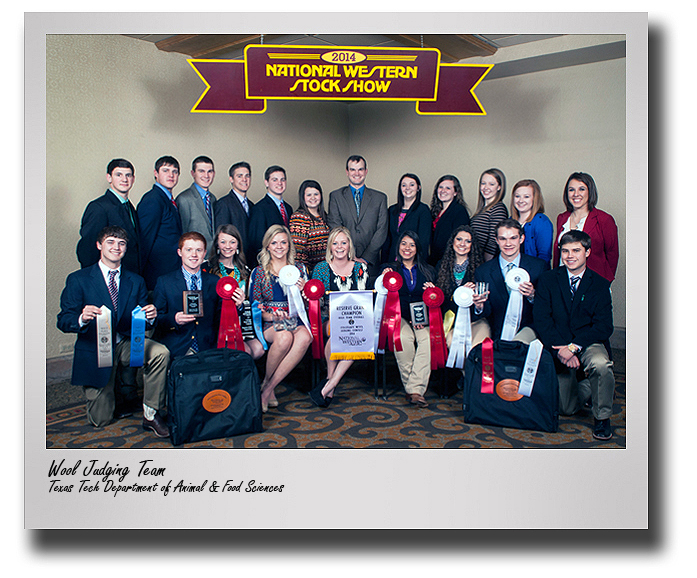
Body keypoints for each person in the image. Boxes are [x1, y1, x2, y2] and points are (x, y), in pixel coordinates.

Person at [57, 226, 170, 437]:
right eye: (110, 242)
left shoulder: (135, 281)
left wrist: (151, 316)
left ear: (126, 249)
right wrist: (81, 318)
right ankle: (114, 393)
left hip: (127, 344)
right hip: (96, 349)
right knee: (101, 420)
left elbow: (142, 322)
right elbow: (63, 320)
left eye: (121, 243)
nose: (116, 247)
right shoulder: (79, 279)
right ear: (99, 245)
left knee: (160, 352)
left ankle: (151, 413)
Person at [533, 230, 615, 440]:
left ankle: (602, 417)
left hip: (587, 342)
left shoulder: (600, 284)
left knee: (601, 365)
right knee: (567, 408)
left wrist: (574, 347)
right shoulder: (547, 279)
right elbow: (542, 319)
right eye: (565, 251)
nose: (570, 256)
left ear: (587, 252)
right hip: (557, 344)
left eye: (576, 250)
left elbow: (604, 326)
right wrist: (561, 348)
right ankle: (590, 387)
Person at [249, 225, 312, 413]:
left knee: (305, 337)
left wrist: (305, 290)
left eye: (283, 242)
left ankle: (267, 387)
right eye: (274, 242)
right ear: (267, 246)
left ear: (289, 245)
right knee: (284, 337)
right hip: (270, 321)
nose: (279, 246)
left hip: (296, 319)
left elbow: (308, 305)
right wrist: (272, 315)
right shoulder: (259, 272)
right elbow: (255, 307)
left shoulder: (299, 269)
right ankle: (269, 387)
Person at [308, 227, 370, 407]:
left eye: (344, 242)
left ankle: (330, 383)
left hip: (356, 318)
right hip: (329, 317)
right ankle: (330, 380)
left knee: (353, 334)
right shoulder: (321, 268)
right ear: (330, 247)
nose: (340, 247)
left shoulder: (360, 268)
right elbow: (317, 302)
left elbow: (363, 299)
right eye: (335, 243)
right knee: (339, 331)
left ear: (350, 245)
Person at [381, 231, 436, 408]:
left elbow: (433, 301)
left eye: (412, 245)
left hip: (422, 318)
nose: (407, 248)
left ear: (417, 248)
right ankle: (415, 389)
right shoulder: (390, 269)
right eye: (404, 244)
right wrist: (384, 278)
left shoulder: (428, 271)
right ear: (398, 246)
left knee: (427, 339)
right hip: (399, 316)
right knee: (403, 338)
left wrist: (432, 292)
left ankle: (413, 390)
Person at [473, 218, 549, 343]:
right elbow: (484, 313)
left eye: (513, 238)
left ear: (522, 239)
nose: (508, 244)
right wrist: (479, 306)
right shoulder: (483, 271)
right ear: (496, 240)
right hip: (495, 331)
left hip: (529, 329)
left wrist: (533, 296)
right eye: (503, 239)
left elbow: (547, 308)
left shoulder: (539, 267)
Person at [152, 232, 221, 359]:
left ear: (204, 253)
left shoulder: (215, 281)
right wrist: (174, 319)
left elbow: (221, 315)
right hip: (178, 348)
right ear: (180, 252)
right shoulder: (164, 282)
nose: (194, 255)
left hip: (209, 348)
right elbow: (156, 319)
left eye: (198, 250)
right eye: (188, 250)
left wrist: (237, 306)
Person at [203, 223, 265, 360]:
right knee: (245, 352)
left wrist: (242, 304)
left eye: (232, 242)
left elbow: (251, 301)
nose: (228, 246)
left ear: (238, 245)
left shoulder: (245, 271)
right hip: (217, 324)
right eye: (223, 242)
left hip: (242, 324)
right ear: (217, 244)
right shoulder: (207, 268)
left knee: (259, 349)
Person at [77, 158, 142, 275]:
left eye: (128, 175)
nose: (124, 179)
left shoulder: (130, 207)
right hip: (106, 278)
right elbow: (87, 249)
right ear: (109, 177)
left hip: (129, 277)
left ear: (133, 179)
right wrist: (94, 279)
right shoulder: (98, 207)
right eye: (119, 175)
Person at [552, 172, 619, 283]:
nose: (576, 194)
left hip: (593, 283)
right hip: (563, 281)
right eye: (571, 190)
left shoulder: (604, 219)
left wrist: (604, 283)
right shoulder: (562, 218)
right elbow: (558, 254)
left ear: (590, 192)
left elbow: (612, 255)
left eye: (582, 189)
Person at [327, 155, 388, 276]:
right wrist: (351, 256)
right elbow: (335, 227)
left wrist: (366, 258)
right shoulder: (336, 196)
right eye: (352, 169)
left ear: (366, 171)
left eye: (360, 169)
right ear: (347, 172)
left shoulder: (380, 198)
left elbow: (382, 230)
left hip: (371, 262)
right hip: (343, 261)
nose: (357, 173)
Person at [435, 225, 490, 348]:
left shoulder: (481, 269)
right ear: (452, 241)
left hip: (475, 321)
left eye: (468, 241)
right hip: (450, 322)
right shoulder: (441, 266)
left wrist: (478, 304)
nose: (462, 244)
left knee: (476, 347)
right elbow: (440, 301)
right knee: (451, 342)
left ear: (472, 245)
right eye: (459, 239)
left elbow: (487, 308)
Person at [137, 155, 183, 290]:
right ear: (156, 174)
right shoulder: (152, 200)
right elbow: (144, 240)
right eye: (166, 170)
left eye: (175, 171)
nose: (171, 175)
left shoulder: (168, 200)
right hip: (157, 273)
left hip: (170, 270)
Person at [248, 165, 293, 266]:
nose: (279, 183)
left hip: (286, 262)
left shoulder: (288, 208)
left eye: (282, 179)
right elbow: (256, 243)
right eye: (275, 180)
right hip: (268, 265)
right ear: (266, 182)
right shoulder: (259, 209)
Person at [382, 173, 432, 263]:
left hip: (413, 262)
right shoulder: (392, 210)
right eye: (404, 185)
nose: (407, 188)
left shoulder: (423, 210)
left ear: (418, 188)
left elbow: (423, 242)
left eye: (412, 185)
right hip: (392, 260)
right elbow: (387, 240)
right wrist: (384, 264)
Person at [214, 161, 255, 265]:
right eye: (239, 176)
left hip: (249, 261)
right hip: (232, 262)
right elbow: (222, 238)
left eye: (247, 176)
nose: (244, 179)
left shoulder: (252, 206)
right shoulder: (223, 204)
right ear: (231, 179)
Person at [176, 156, 217, 257]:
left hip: (213, 257)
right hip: (194, 258)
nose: (206, 175)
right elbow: (183, 234)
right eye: (201, 171)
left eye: (210, 171)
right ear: (193, 173)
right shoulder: (184, 199)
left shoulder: (213, 198)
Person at [289, 179, 330, 276]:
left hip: (327, 270)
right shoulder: (300, 217)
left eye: (316, 194)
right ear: (303, 197)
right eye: (308, 195)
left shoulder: (324, 215)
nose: (313, 198)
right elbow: (298, 252)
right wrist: (306, 274)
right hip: (312, 272)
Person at [428, 174, 471, 266]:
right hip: (435, 259)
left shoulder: (459, 211)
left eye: (448, 188)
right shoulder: (436, 212)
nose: (443, 191)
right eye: (440, 187)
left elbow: (459, 239)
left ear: (455, 192)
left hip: (448, 261)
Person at [510, 179, 554, 264]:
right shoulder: (510, 221)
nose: (520, 200)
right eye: (517, 196)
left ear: (535, 199)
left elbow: (544, 256)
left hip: (534, 274)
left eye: (526, 196)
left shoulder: (542, 222)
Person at [470, 168, 509, 261]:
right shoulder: (482, 209)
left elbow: (494, 241)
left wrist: (484, 265)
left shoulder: (498, 209)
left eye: (491, 184)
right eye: (483, 183)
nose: (486, 187)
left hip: (484, 261)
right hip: (475, 258)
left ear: (499, 187)